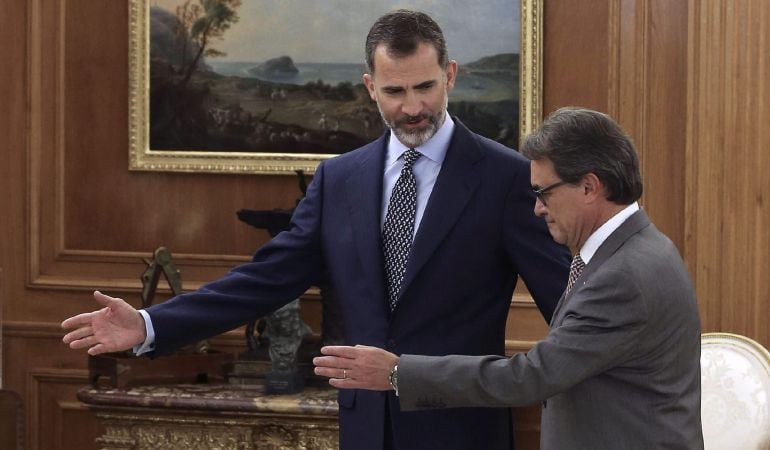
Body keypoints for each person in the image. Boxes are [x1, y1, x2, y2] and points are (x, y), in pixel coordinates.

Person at [61, 10, 570, 450]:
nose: (412, 108)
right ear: (370, 86)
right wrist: (151, 325)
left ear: (450, 75)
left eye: (425, 87)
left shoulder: (507, 178)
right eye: (394, 91)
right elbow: (265, 280)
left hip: (463, 431)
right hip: (364, 427)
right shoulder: (338, 179)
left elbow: (568, 303)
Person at [314, 107, 704, 449]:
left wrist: (398, 373)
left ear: (588, 186)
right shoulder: (632, 250)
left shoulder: (624, 275)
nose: (536, 208)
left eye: (543, 192)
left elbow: (533, 377)